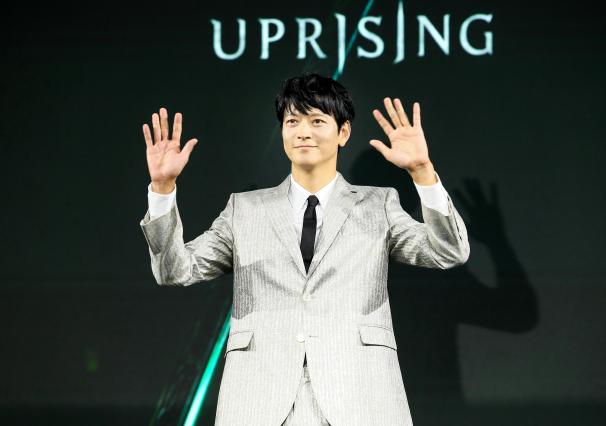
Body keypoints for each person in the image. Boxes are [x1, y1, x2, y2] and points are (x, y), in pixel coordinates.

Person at [139, 73, 469, 426]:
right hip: (259, 400)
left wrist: (422, 172)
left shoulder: (379, 205)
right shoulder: (244, 210)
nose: (303, 131)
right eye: (292, 121)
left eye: (317, 121)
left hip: (359, 396)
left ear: (343, 132)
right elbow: (175, 269)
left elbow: (448, 251)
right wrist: (162, 188)